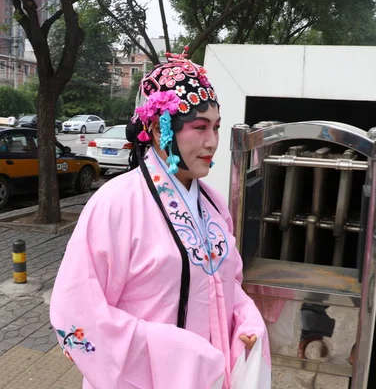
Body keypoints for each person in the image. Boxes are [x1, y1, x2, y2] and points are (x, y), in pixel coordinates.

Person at [49, 48, 271, 389]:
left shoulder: (213, 205)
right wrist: (176, 353)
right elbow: (75, 312)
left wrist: (246, 320)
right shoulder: (116, 204)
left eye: (216, 127)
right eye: (199, 127)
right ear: (157, 128)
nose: (212, 141)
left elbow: (229, 283)